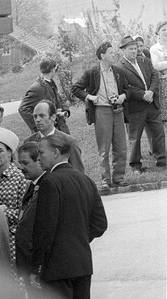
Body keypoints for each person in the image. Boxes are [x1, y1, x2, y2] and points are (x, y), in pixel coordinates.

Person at [29, 135, 107, 299]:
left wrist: (36, 268)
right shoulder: (86, 180)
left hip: (56, 268)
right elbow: (100, 224)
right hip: (82, 263)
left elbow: (44, 230)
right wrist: (78, 239)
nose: (38, 158)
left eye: (41, 153)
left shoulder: (50, 182)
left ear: (55, 152)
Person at [71, 41, 128, 190]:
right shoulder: (92, 72)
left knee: (121, 146)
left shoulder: (118, 71)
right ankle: (105, 180)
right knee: (104, 148)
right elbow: (75, 88)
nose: (113, 54)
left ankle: (119, 178)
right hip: (101, 111)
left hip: (118, 110)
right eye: (110, 52)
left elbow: (128, 89)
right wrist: (90, 97)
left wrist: (123, 95)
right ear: (102, 55)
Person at [0, 127, 28, 291]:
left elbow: (26, 214)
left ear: (9, 153)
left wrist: (2, 212)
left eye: (0, 151)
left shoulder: (20, 178)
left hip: (12, 240)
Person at [118, 35, 166, 173]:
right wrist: (143, 95)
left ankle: (162, 160)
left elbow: (155, 76)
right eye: (131, 49)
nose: (134, 51)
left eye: (135, 48)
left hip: (151, 104)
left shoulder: (144, 60)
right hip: (135, 107)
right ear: (123, 50)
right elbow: (125, 86)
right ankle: (135, 165)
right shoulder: (119, 67)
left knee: (158, 132)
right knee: (135, 137)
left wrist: (150, 91)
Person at [15, 142, 46, 293]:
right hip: (29, 266)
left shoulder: (48, 187)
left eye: (25, 163)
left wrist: (38, 268)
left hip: (40, 269)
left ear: (39, 162)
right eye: (19, 163)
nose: (21, 167)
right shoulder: (32, 185)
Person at [24, 100, 85, 173]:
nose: (37, 120)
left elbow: (78, 173)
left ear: (53, 117)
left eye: (42, 116)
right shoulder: (29, 142)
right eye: (35, 116)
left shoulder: (69, 142)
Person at [19, 58, 70, 134]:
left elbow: (59, 98)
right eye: (55, 68)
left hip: (60, 128)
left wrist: (65, 111)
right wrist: (40, 122)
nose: (55, 71)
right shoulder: (36, 88)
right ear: (52, 69)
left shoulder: (51, 83)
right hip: (47, 132)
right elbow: (23, 109)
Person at [150, 20, 167, 122]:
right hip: (162, 83)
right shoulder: (154, 49)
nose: (166, 32)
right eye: (163, 30)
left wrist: (163, 65)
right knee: (164, 114)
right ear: (158, 32)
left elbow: (161, 65)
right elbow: (156, 66)